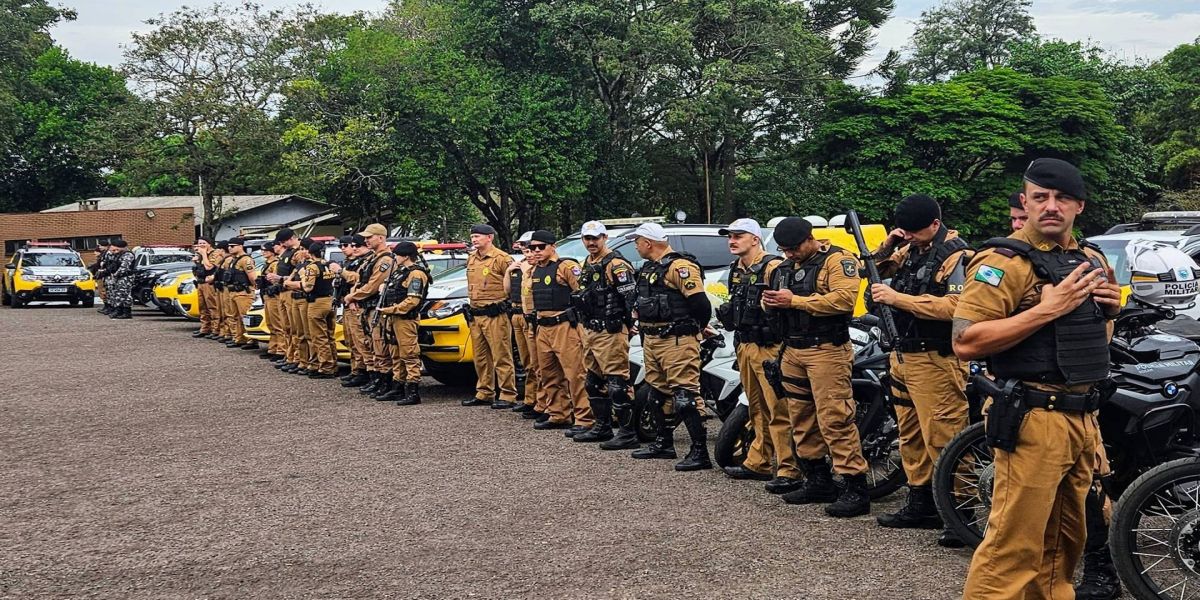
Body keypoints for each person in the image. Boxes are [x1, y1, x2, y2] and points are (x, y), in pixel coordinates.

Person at [954, 158, 1120, 599]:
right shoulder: (1001, 262)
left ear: (1078, 206)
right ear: (1024, 203)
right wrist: (1047, 308)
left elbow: (1096, 338)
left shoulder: (1090, 259)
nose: (1051, 207)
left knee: (1066, 543)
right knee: (1014, 546)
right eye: (1040, 198)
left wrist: (1110, 311)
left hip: (1084, 417)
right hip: (1033, 417)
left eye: (1062, 198)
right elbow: (967, 341)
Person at [868, 195, 974, 541]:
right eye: (905, 232)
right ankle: (921, 502)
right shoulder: (911, 249)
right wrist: (887, 247)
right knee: (910, 435)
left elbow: (957, 306)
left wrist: (899, 299)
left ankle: (960, 514)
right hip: (903, 355)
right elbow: (867, 269)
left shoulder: (956, 255)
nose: (909, 236)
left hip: (937, 359)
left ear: (934, 224)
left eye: (914, 231)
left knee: (944, 436)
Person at [764, 217, 870, 517]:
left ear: (811, 239)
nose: (789, 255)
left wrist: (794, 301)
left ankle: (854, 487)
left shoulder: (836, 260)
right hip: (793, 348)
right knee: (801, 416)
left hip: (826, 350)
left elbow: (844, 300)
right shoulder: (784, 268)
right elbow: (776, 301)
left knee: (835, 417)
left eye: (794, 248)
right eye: (784, 250)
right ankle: (818, 479)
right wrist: (769, 302)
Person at [716, 218, 800, 493]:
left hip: (769, 347)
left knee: (779, 408)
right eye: (730, 236)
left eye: (738, 235)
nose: (732, 240)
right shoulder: (736, 269)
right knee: (755, 407)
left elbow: (785, 306)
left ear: (755, 239)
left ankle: (789, 468)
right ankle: (759, 461)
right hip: (745, 344)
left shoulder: (773, 266)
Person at [626, 222, 713, 471]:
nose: (636, 245)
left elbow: (700, 304)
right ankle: (664, 443)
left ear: (648, 243)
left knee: (685, 396)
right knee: (656, 392)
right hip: (653, 339)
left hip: (676, 339)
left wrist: (695, 328)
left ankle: (700, 453)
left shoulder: (680, 267)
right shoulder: (650, 268)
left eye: (638, 241)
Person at [572, 221, 637, 444]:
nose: (591, 242)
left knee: (617, 383)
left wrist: (630, 324)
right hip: (590, 329)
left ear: (604, 238)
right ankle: (602, 426)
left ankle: (628, 432)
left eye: (595, 238)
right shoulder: (588, 262)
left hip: (611, 331)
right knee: (592, 381)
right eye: (587, 238)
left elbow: (630, 297)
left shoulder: (616, 264)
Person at [527, 230, 592, 432]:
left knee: (575, 374)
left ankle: (584, 417)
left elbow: (583, 295)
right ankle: (558, 413)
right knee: (548, 374)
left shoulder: (566, 267)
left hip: (564, 327)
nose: (536, 251)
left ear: (552, 246)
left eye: (540, 247)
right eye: (532, 248)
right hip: (542, 327)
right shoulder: (534, 270)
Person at [464, 224, 518, 408]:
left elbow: (514, 285)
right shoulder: (472, 259)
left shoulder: (501, 258)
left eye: (478, 236)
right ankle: (485, 391)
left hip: (495, 314)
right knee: (480, 357)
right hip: (476, 314)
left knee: (501, 355)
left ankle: (508, 394)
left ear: (490, 237)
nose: (474, 239)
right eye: (473, 237)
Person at [376, 241, 431, 404]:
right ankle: (398, 386)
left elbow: (412, 301)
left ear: (406, 256)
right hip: (394, 319)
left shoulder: (416, 274)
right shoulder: (400, 272)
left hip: (405, 319)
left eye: (397, 255)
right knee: (396, 353)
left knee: (409, 354)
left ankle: (412, 391)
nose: (395, 258)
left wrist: (390, 310)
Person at [343, 224, 396, 395]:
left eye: (369, 237)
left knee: (380, 346)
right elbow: (360, 280)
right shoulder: (372, 258)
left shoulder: (385, 260)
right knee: (371, 345)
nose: (366, 240)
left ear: (381, 238)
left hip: (377, 308)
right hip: (367, 308)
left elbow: (373, 285)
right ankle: (378, 379)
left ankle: (386, 382)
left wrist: (353, 296)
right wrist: (354, 294)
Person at [506, 232, 541, 414]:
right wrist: (509, 271)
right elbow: (508, 290)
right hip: (517, 313)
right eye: (524, 249)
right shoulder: (518, 267)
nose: (526, 253)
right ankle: (530, 398)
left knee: (537, 362)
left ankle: (540, 401)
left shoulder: (539, 269)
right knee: (526, 360)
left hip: (533, 318)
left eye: (528, 248)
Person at [332, 235, 371, 387]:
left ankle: (365, 372)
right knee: (351, 341)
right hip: (347, 304)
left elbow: (357, 279)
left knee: (361, 341)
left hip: (358, 305)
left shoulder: (365, 262)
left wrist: (340, 271)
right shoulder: (352, 261)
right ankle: (357, 370)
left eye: (356, 245)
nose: (352, 248)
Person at [294, 240, 337, 378]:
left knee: (319, 337)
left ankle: (325, 367)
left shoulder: (312, 267)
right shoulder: (328, 265)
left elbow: (308, 287)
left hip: (317, 303)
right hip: (330, 300)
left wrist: (301, 279)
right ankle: (333, 364)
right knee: (330, 336)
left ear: (311, 253)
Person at [267, 230, 300, 371]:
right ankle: (289, 355)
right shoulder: (287, 252)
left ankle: (297, 358)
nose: (281, 245)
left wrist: (280, 278)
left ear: (292, 238)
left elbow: (300, 276)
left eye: (283, 242)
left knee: (294, 328)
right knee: (286, 327)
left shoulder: (298, 253)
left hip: (292, 292)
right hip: (282, 292)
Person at [224, 237, 259, 350]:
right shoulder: (233, 259)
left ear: (240, 246)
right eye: (229, 246)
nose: (230, 248)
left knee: (245, 316)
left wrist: (255, 288)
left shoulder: (246, 260)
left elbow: (252, 277)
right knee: (235, 317)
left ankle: (251, 340)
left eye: (232, 246)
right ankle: (240, 338)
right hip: (233, 291)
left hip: (243, 292)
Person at [257, 241, 285, 360]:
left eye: (266, 250)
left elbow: (276, 280)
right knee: (270, 324)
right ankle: (273, 347)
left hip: (274, 295)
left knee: (277, 324)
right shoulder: (266, 264)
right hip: (266, 295)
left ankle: (281, 349)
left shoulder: (276, 263)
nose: (263, 252)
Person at [190, 237, 218, 338]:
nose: (201, 245)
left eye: (204, 243)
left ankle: (216, 329)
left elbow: (209, 267)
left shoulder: (214, 253)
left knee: (212, 306)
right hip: (201, 282)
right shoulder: (201, 254)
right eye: (199, 243)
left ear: (209, 244)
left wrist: (204, 254)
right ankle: (205, 328)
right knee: (202, 307)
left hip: (209, 284)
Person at [106, 239, 136, 319]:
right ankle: (119, 310)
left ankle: (126, 312)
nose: (115, 251)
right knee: (117, 294)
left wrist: (115, 275)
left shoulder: (128, 255)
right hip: (119, 277)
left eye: (116, 249)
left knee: (124, 294)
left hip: (125, 277)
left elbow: (124, 268)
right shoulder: (119, 254)